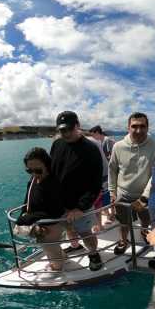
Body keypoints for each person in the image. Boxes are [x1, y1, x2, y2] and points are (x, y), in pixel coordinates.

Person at [50, 111, 104, 271]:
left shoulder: (91, 149)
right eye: (62, 130)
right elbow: (52, 171)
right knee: (67, 227)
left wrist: (80, 207)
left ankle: (94, 254)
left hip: (80, 204)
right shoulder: (57, 144)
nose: (65, 133)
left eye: (68, 129)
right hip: (60, 201)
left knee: (85, 232)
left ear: (77, 126)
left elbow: (95, 183)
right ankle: (75, 245)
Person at [109, 112, 155, 254]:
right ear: (128, 127)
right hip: (123, 194)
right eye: (134, 126)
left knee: (146, 220)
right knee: (123, 222)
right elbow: (112, 169)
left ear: (147, 127)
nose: (138, 130)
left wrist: (144, 197)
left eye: (142, 126)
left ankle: (144, 232)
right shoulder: (118, 147)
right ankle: (123, 240)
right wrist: (112, 191)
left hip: (146, 196)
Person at [16, 147, 66, 271]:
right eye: (29, 170)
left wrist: (31, 217)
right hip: (41, 224)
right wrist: (24, 214)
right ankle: (62, 258)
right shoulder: (34, 179)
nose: (33, 174)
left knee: (51, 250)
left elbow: (56, 211)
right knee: (51, 248)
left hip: (51, 226)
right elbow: (27, 199)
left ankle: (57, 268)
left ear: (47, 164)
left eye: (37, 170)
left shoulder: (54, 183)